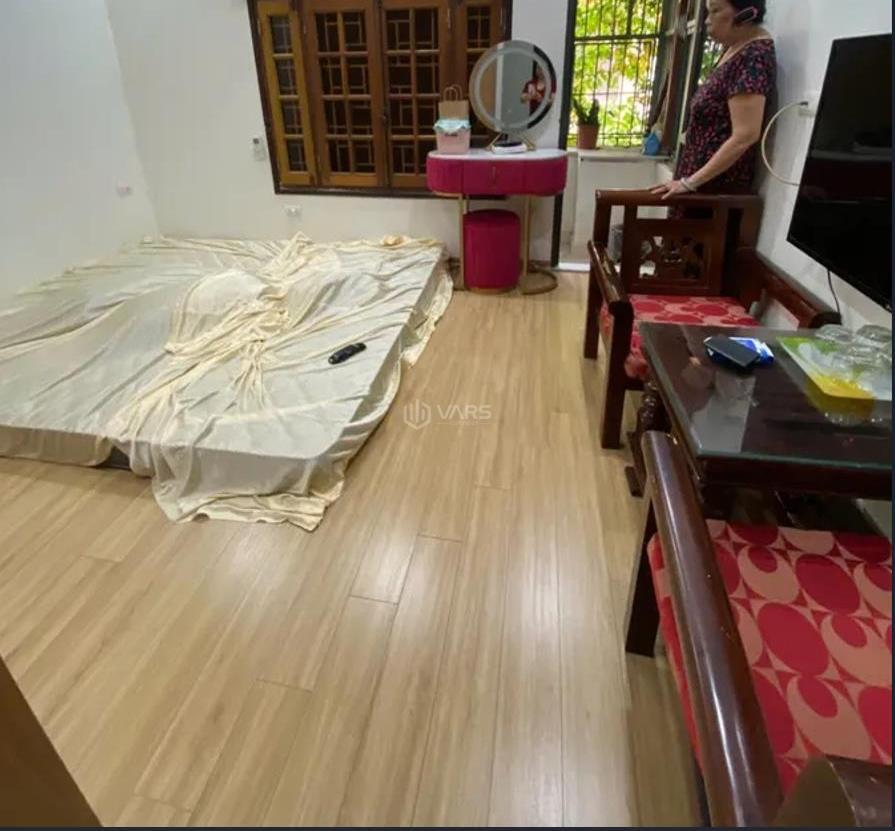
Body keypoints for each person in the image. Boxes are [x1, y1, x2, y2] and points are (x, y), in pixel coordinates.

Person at [653, 0, 776, 199]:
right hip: (696, 180)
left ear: (746, 14)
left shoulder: (753, 57)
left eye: (716, 11)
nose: (707, 21)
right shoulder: (733, 49)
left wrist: (691, 182)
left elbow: (746, 134)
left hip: (715, 190)